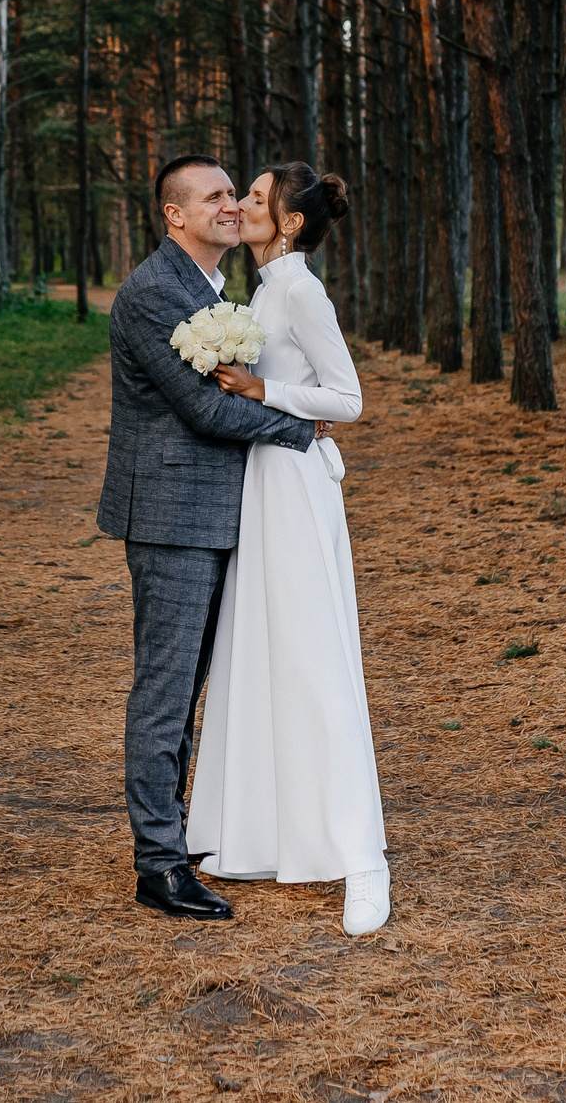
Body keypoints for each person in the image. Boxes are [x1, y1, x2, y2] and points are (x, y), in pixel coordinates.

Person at [96, 154, 322, 922]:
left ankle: (186, 835)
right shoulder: (154, 292)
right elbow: (208, 412)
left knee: (198, 690)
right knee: (164, 693)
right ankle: (158, 866)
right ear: (175, 215)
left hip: (223, 514)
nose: (232, 206)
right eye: (216, 196)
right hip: (170, 519)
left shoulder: (216, 290)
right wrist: (299, 428)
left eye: (236, 194)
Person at [186, 164, 389, 935]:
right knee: (260, 651)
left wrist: (264, 393)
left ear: (291, 221)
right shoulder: (265, 289)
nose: (241, 205)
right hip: (260, 484)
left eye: (258, 198)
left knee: (312, 657)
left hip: (296, 485)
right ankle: (265, 832)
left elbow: (348, 399)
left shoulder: (301, 291)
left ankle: (363, 858)